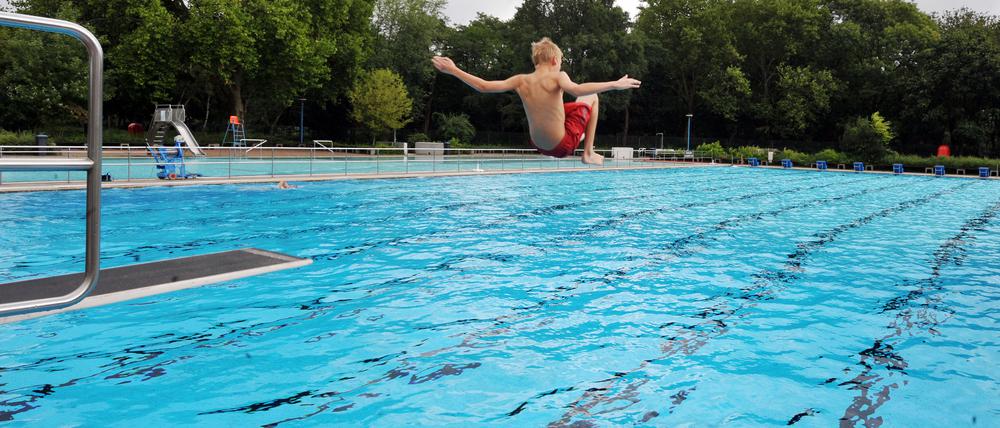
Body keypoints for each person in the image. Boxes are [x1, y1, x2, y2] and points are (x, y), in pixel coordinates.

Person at [432, 37, 640, 165]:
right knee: (591, 97)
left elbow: (484, 86)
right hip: (562, 145)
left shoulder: (520, 80)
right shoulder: (558, 76)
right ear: (555, 61)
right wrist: (613, 84)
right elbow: (577, 89)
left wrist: (454, 70)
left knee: (567, 106)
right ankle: (588, 152)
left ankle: (581, 136)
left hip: (539, 145)